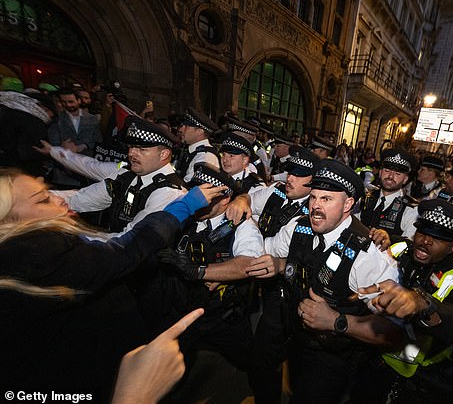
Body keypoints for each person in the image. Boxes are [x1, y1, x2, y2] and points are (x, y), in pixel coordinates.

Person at [0, 168, 223, 401]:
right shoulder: (42, 252)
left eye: (47, 193)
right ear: (8, 221)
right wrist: (181, 209)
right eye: (44, 200)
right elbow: (126, 249)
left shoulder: (24, 253)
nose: (57, 199)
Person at [261, 159, 401, 403]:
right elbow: (264, 250)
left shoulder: (369, 256)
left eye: (326, 199)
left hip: (333, 360)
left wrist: (337, 321)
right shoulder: (298, 227)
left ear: (348, 204)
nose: (315, 206)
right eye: (313, 197)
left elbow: (394, 330)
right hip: (294, 341)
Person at [355, 199, 453, 403]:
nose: (426, 241)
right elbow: (378, 245)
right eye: (423, 232)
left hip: (411, 381)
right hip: (369, 358)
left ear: (452, 247)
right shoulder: (403, 247)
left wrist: (424, 304)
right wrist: (380, 236)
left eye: (438, 238)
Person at [226, 145, 320, 403]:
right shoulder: (276, 192)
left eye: (299, 175)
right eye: (290, 172)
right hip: (257, 283)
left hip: (283, 292)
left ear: (313, 183)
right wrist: (243, 200)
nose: (290, 178)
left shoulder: (310, 216)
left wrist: (248, 226)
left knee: (265, 357)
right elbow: (250, 198)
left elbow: (273, 249)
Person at [157, 165, 264, 373]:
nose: (199, 200)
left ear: (225, 199)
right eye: (196, 193)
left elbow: (249, 263)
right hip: (180, 312)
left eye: (207, 195)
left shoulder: (240, 225)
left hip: (221, 318)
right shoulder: (185, 214)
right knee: (168, 372)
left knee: (252, 365)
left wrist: (199, 271)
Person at [51, 116, 184, 236]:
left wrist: (83, 239)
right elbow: (81, 199)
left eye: (142, 149)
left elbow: (131, 239)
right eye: (131, 147)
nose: (132, 153)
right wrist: (41, 197)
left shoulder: (169, 193)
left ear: (164, 154)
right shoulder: (126, 175)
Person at [356, 148, 418, 247]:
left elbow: (409, 244)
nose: (390, 176)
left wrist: (390, 239)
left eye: (397, 173)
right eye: (387, 170)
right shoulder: (365, 198)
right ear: (380, 172)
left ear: (405, 179)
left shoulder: (411, 209)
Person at [174, 107, 220, 182]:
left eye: (186, 127)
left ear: (200, 132)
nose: (181, 130)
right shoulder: (193, 152)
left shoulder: (206, 157)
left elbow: (191, 187)